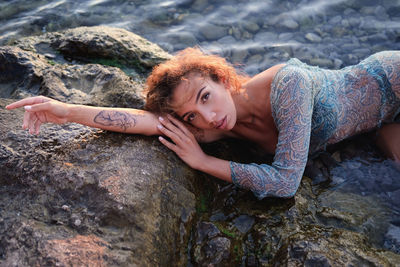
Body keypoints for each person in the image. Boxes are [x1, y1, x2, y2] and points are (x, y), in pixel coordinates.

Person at [6, 48, 400, 199]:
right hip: (378, 120)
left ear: (223, 79)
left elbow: (284, 183)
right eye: (192, 116)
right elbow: (149, 122)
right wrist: (67, 110)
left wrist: (202, 162)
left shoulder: (289, 85)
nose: (208, 118)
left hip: (391, 79)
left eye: (206, 96)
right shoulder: (212, 124)